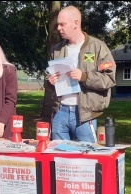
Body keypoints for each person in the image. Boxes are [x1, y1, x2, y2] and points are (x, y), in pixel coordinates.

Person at [45, 6, 116, 143]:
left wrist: (84, 77)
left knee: (87, 157)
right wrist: (50, 81)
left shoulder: (98, 47)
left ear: (76, 23)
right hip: (60, 112)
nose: (58, 28)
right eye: (58, 24)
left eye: (62, 24)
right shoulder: (57, 50)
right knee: (60, 158)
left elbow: (109, 78)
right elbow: (47, 76)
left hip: (84, 114)